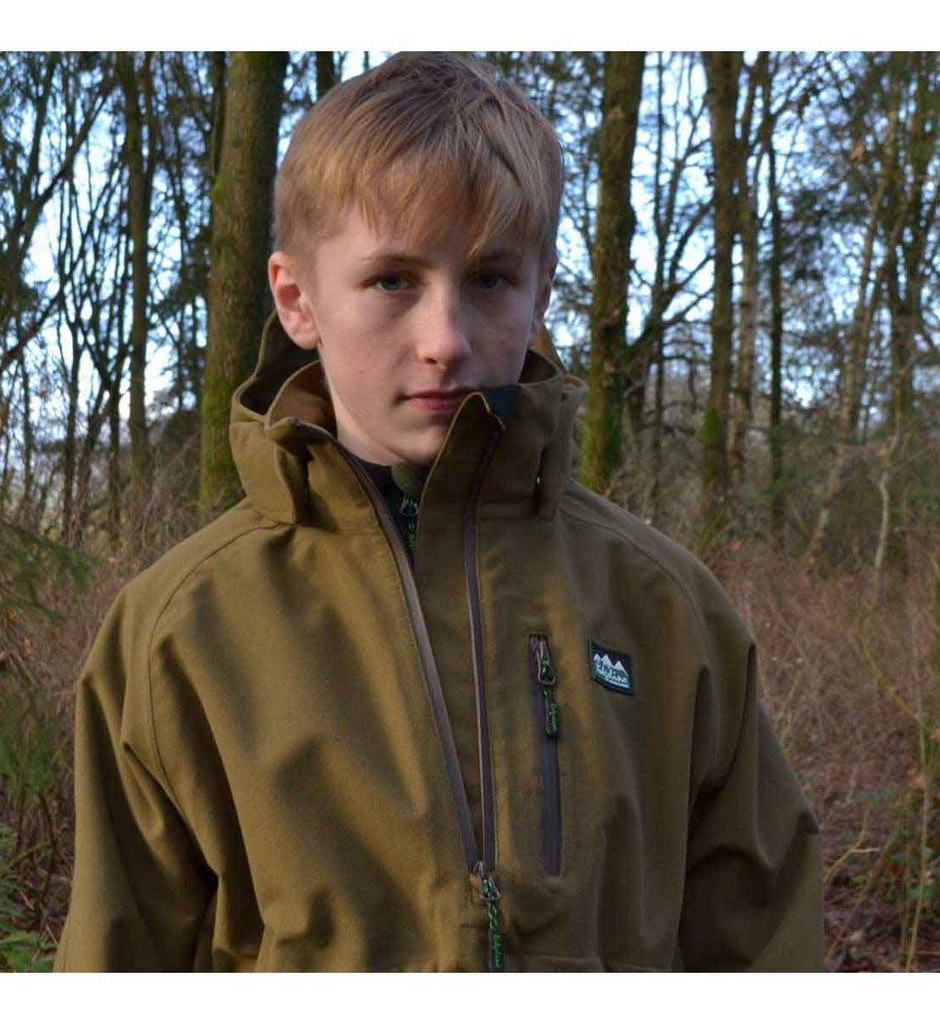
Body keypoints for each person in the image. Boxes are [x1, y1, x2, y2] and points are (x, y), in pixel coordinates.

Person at [55, 52, 824, 972]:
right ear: (298, 299)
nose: (446, 340)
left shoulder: (666, 611)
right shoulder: (179, 631)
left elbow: (763, 947)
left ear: (541, 291)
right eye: (392, 281)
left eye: (490, 279)